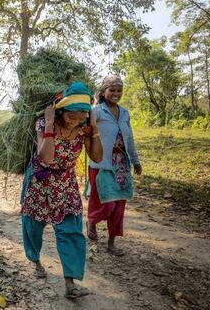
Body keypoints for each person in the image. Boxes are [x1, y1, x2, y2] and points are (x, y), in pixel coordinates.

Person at [21, 82, 103, 299]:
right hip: (40, 181)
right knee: (33, 225)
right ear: (61, 111)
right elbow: (46, 157)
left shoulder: (85, 128)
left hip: (65, 183)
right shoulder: (44, 123)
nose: (76, 122)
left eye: (81, 116)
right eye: (71, 117)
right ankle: (35, 259)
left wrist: (94, 130)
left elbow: (97, 157)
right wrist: (49, 126)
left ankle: (70, 282)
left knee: (71, 229)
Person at [86, 74, 142, 256]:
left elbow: (130, 138)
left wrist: (135, 160)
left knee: (118, 207)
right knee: (105, 204)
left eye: (119, 90)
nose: (116, 93)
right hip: (101, 165)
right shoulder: (96, 111)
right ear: (104, 91)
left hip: (121, 166)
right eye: (112, 90)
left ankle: (111, 243)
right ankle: (92, 221)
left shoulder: (124, 113)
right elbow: (86, 133)